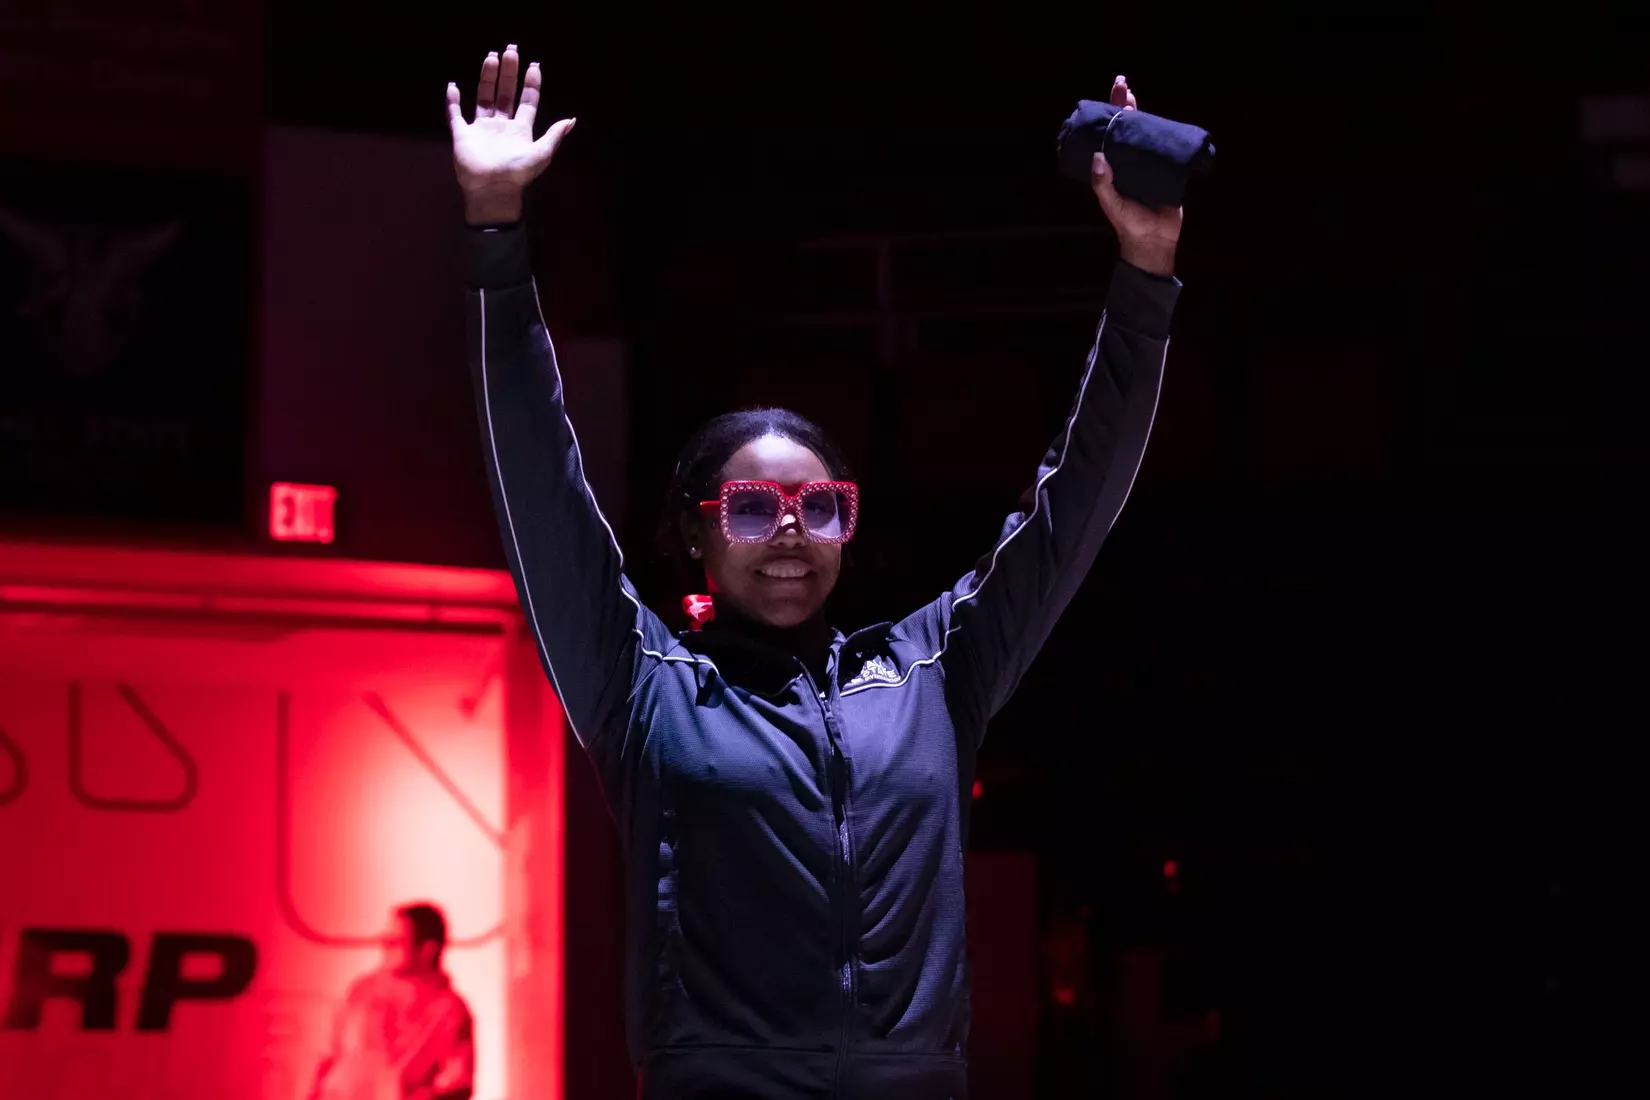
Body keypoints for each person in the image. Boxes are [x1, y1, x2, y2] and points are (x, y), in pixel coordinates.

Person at [451, 43, 1183, 1100]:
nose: (789, 530)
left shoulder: (937, 667)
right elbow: (537, 470)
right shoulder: (646, 686)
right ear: (696, 534)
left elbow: (1079, 499)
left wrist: (1145, 278)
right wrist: (494, 236)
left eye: (819, 506)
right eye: (752, 507)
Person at [307, 903, 475, 1100]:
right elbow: (329, 1055)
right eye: (384, 939)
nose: (384, 946)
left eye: (395, 941)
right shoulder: (363, 990)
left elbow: (455, 1085)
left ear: (427, 950)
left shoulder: (449, 1010)